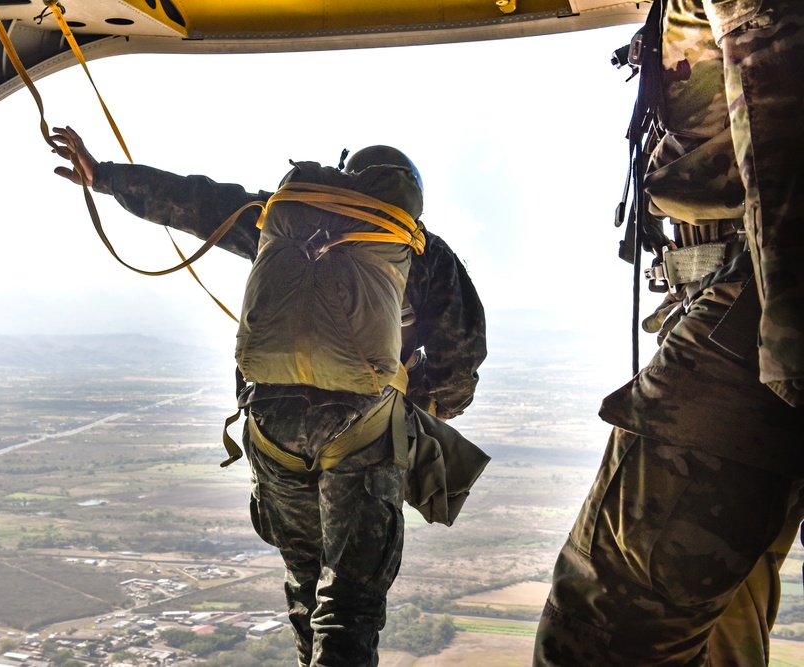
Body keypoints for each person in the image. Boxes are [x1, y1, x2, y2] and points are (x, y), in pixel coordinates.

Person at [52, 129, 487, 667]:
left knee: (305, 580)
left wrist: (106, 177)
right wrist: (415, 399)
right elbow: (459, 363)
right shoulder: (419, 249)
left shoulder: (285, 219)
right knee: (351, 600)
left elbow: (194, 200)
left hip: (269, 424)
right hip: (361, 429)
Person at [534, 0, 804, 665]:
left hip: (755, 318)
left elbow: (780, 100)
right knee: (721, 628)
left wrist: (789, 343)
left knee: (593, 638)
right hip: (749, 313)